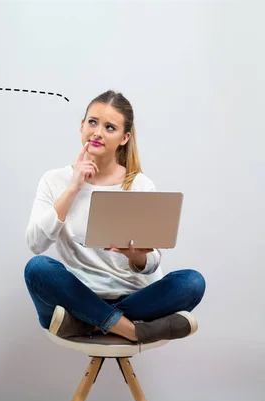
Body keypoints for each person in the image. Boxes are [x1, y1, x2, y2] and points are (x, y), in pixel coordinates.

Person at [23, 90, 206, 348]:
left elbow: (152, 262)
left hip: (132, 298)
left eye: (110, 127)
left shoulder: (139, 184)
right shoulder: (54, 181)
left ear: (124, 137)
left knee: (192, 282)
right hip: (77, 295)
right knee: (38, 269)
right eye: (92, 122)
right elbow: (35, 243)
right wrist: (73, 188)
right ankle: (132, 331)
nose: (97, 132)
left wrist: (136, 257)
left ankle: (91, 323)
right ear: (81, 125)